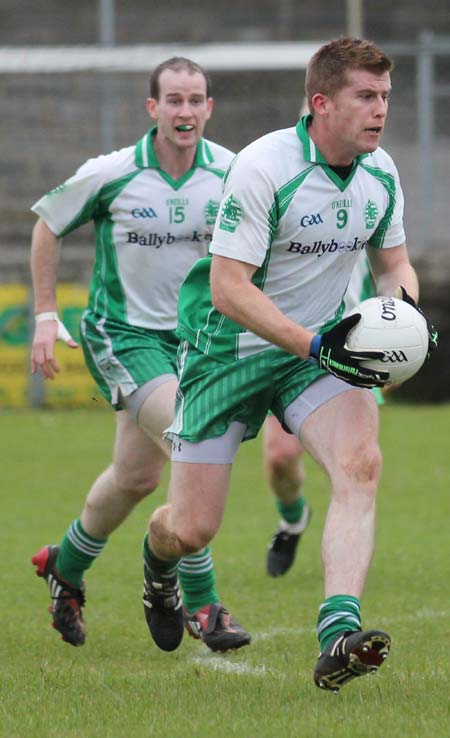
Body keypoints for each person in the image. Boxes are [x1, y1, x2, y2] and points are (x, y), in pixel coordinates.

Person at [141, 37, 437, 690]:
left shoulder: (380, 171)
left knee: (361, 466)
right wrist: (311, 343)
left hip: (322, 353)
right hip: (230, 353)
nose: (380, 110)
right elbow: (229, 289)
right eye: (366, 96)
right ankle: (158, 570)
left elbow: (393, 267)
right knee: (189, 529)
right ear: (322, 102)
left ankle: (339, 634)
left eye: (385, 96)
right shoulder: (264, 167)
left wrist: (403, 314)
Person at [30, 57, 251, 653]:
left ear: (209, 108)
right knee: (191, 434)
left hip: (195, 345)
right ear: (153, 108)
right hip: (124, 336)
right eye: (173, 100)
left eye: (196, 100)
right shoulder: (115, 172)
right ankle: (200, 603)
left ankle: (65, 564)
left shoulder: (233, 173)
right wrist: (46, 316)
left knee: (134, 478)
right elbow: (47, 225)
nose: (185, 111)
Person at [264, 253, 382, 578]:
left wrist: (398, 345)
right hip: (293, 349)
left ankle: (341, 610)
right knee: (280, 456)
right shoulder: (285, 206)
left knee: (355, 467)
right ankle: (292, 517)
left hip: (354, 355)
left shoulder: (372, 205)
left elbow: (390, 272)